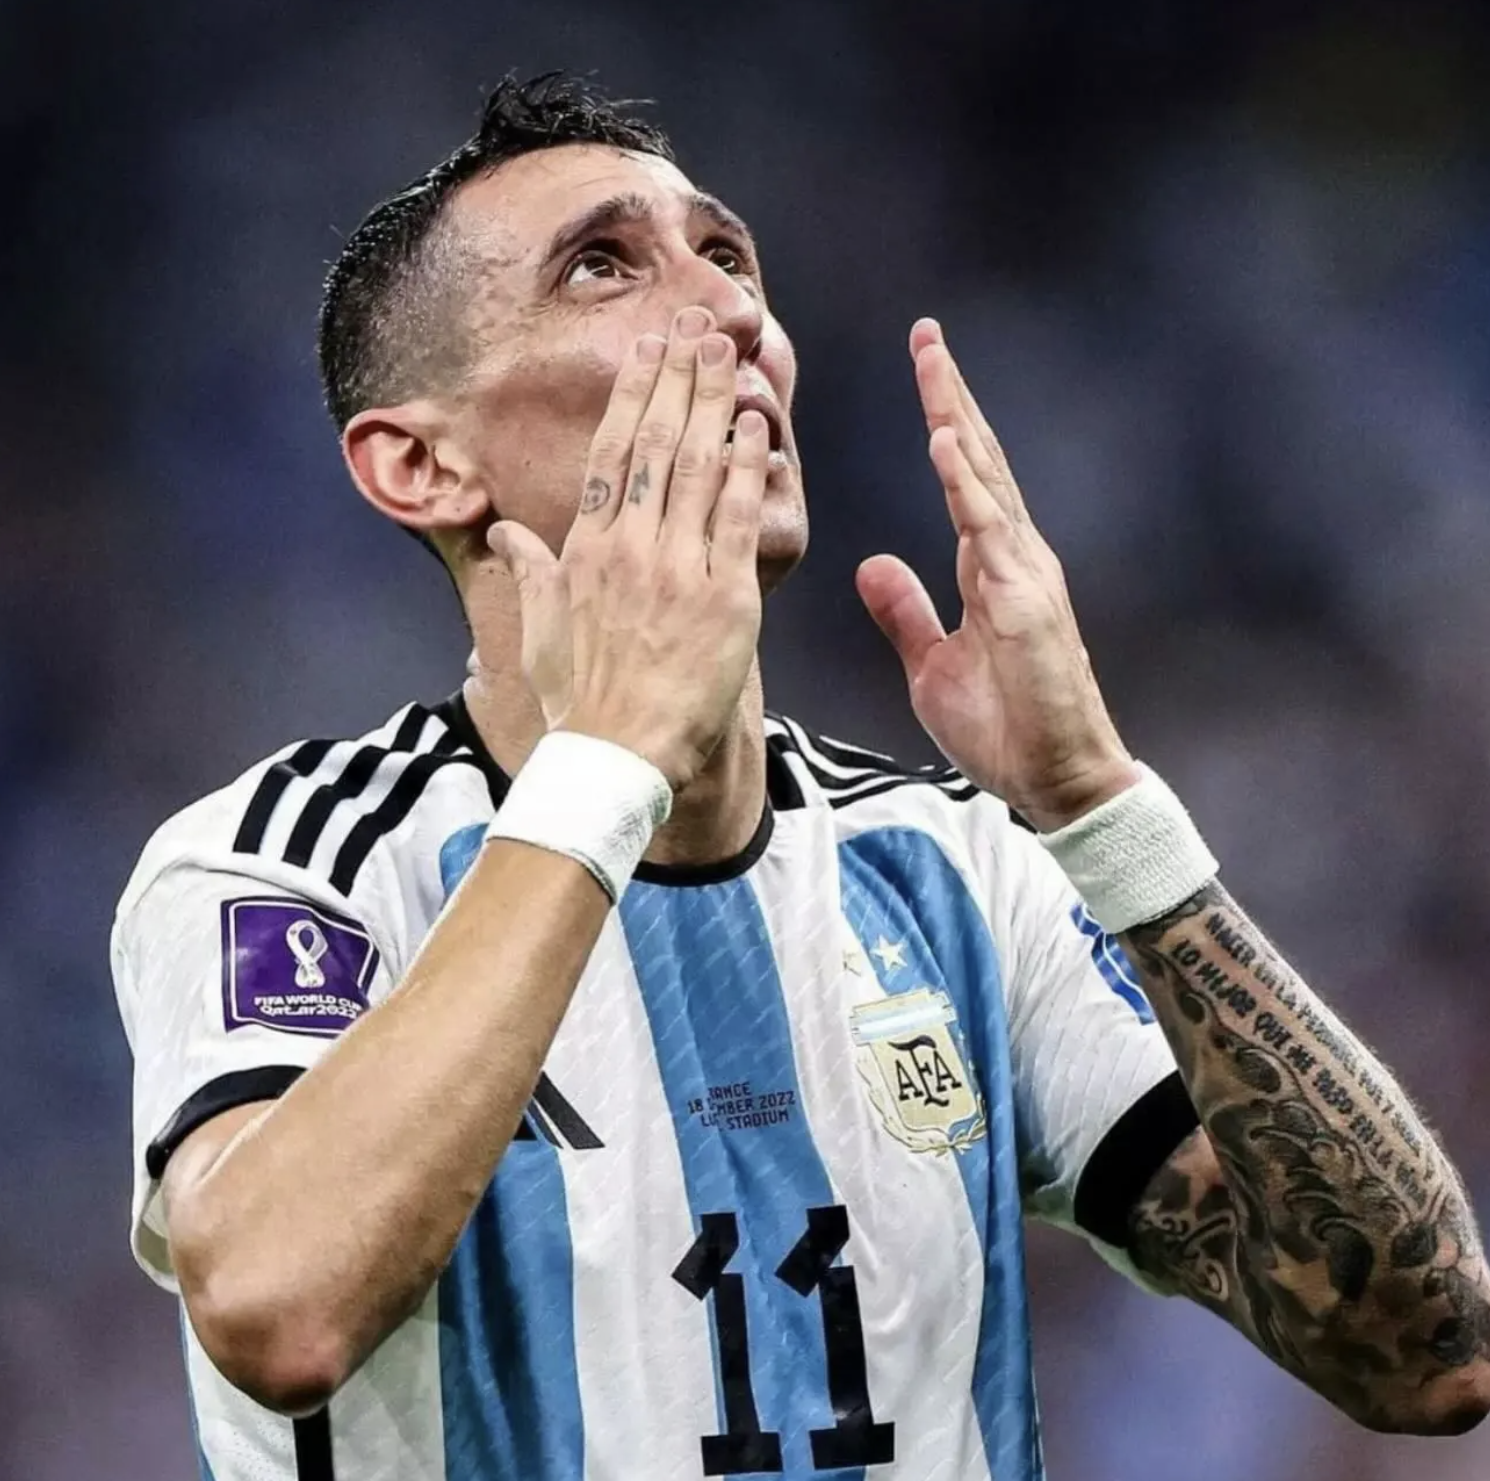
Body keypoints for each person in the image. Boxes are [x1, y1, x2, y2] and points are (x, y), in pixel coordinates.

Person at [111, 72, 1490, 1481]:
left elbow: (1426, 1351)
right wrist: (608, 763)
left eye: (728, 258)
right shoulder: (293, 861)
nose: (732, 316)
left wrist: (1101, 810)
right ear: (417, 463)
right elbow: (278, 1311)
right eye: (602, 268)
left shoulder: (954, 869)